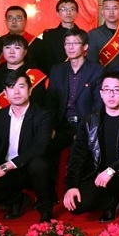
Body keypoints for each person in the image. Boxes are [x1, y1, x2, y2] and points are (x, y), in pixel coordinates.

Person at [62, 71, 119, 223]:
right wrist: (71, 185)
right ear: (101, 93)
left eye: (116, 90)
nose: (111, 94)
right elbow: (77, 155)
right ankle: (111, 202)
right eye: (107, 90)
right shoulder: (90, 120)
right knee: (76, 205)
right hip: (99, 174)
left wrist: (112, 169)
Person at [0, 70, 54, 222]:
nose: (16, 92)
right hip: (8, 170)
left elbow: (39, 148)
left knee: (38, 165)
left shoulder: (42, 115)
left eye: (21, 87)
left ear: (30, 90)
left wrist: (5, 167)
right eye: (11, 87)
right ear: (5, 93)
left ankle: (46, 208)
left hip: (30, 167)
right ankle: (19, 200)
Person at [46, 28, 103, 186]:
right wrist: (50, 127)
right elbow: (51, 102)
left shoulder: (97, 71)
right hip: (62, 124)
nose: (70, 47)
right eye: (67, 43)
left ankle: (79, 189)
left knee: (81, 151)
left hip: (85, 124)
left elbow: (98, 104)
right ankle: (49, 194)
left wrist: (85, 130)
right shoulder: (57, 70)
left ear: (85, 47)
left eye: (75, 43)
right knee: (45, 148)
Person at [0, 34, 49, 112]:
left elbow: (41, 103)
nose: (11, 51)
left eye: (17, 48)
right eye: (7, 47)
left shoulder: (35, 74)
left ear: (25, 51)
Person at [0, 5, 44, 71]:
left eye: (18, 18)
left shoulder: (38, 44)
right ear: (6, 21)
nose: (14, 21)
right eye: (10, 18)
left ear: (25, 21)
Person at [39, 0, 83, 72]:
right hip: (56, 75)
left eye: (72, 9)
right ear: (57, 13)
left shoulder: (83, 35)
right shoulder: (49, 35)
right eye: (63, 9)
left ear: (77, 13)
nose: (68, 13)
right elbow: (46, 61)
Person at [87, 0, 119, 67]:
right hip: (103, 73)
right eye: (107, 9)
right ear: (102, 12)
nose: (111, 12)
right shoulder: (93, 34)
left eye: (115, 8)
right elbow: (91, 62)